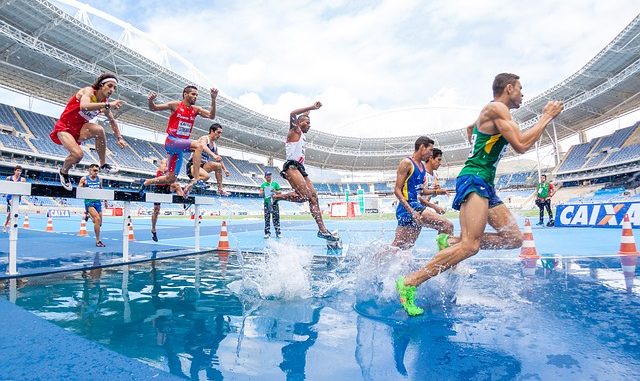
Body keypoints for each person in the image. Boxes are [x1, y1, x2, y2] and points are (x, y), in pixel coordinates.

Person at [396, 73, 564, 316]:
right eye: (520, 89)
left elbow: (470, 128)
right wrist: (547, 116)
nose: (522, 94)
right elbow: (521, 145)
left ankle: (451, 242)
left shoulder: (493, 113)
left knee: (513, 239)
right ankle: (410, 282)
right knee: (471, 246)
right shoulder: (497, 108)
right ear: (508, 88)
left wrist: (480, 144)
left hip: (484, 181)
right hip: (475, 179)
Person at [272, 102, 339, 241]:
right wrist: (311, 107)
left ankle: (322, 230)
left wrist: (309, 113)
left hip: (301, 168)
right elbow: (292, 113)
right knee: (303, 197)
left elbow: (303, 116)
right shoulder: (295, 131)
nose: (309, 125)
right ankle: (277, 197)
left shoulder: (301, 133)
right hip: (291, 167)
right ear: (299, 123)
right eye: (307, 123)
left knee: (313, 196)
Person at [51, 73, 127, 191]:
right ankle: (64, 172)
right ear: (101, 85)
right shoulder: (89, 91)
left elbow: (112, 120)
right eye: (110, 86)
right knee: (78, 155)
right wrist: (108, 104)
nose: (112, 90)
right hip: (64, 127)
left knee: (99, 130)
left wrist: (119, 137)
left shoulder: (104, 102)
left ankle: (103, 164)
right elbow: (84, 106)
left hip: (80, 128)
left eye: (114, 88)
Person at [140, 86, 218, 192]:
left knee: (171, 179)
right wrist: (150, 101)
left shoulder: (196, 110)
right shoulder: (175, 105)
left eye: (197, 95)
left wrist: (213, 99)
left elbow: (211, 116)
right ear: (185, 94)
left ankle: (145, 182)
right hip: (172, 141)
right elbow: (154, 108)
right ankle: (196, 179)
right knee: (199, 146)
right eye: (193, 94)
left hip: (180, 147)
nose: (195, 97)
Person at [391, 138, 453, 250]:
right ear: (422, 147)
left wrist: (438, 192)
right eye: (430, 150)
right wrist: (412, 211)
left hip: (415, 206)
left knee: (402, 247)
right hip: (409, 206)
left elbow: (421, 191)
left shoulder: (421, 167)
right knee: (447, 225)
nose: (430, 153)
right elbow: (397, 190)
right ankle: (444, 260)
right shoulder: (407, 163)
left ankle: (375, 260)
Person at [184, 123, 231, 196]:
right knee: (206, 177)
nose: (219, 135)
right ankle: (190, 186)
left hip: (203, 166)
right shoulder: (205, 138)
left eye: (221, 133)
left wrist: (224, 169)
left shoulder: (214, 146)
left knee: (218, 166)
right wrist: (213, 155)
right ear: (212, 131)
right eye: (218, 132)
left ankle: (220, 189)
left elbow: (219, 158)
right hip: (193, 166)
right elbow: (203, 146)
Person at [151, 158, 184, 242]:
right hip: (158, 189)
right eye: (165, 164)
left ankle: (183, 200)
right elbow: (162, 179)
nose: (167, 165)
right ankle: (153, 229)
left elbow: (172, 180)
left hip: (166, 188)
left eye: (167, 164)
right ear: (161, 164)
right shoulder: (160, 170)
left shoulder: (170, 171)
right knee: (156, 210)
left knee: (177, 185)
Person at [78, 164, 106, 247]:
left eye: (97, 170)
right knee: (97, 219)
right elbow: (78, 189)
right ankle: (98, 241)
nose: (96, 172)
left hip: (97, 202)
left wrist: (105, 200)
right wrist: (84, 185)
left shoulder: (99, 179)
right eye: (94, 170)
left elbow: (101, 189)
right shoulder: (84, 179)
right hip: (89, 202)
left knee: (99, 223)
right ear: (90, 170)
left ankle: (88, 215)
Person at [3, 165, 26, 232]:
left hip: (17, 197)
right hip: (10, 196)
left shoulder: (23, 179)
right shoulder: (8, 178)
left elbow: (23, 189)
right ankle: (11, 227)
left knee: (11, 213)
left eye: (20, 171)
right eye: (17, 170)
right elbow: (5, 186)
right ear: (14, 171)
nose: (19, 172)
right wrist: (4, 193)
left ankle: (5, 225)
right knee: (13, 211)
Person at [259, 171, 282, 239]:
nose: (269, 176)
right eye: (267, 175)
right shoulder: (263, 185)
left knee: (276, 218)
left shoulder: (275, 184)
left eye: (270, 175)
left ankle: (278, 232)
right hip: (267, 203)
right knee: (267, 218)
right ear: (265, 177)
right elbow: (260, 193)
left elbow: (280, 192)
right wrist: (264, 191)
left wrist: (274, 191)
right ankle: (267, 233)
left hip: (274, 203)